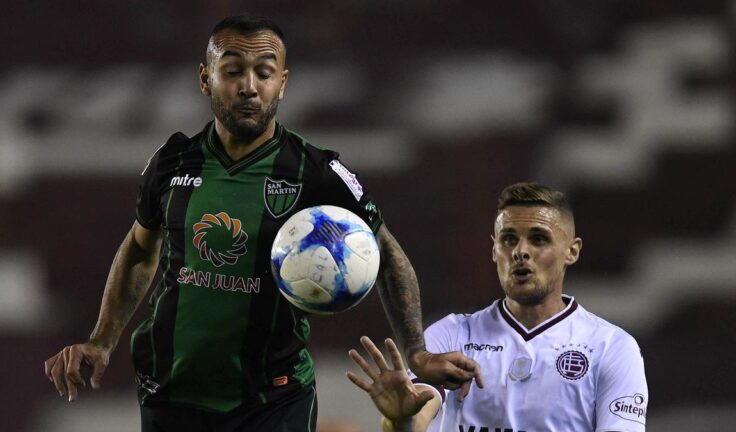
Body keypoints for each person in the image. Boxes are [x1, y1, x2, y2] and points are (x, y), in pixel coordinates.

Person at [43, 14, 481, 432]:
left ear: (282, 84)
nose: (249, 87)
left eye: (264, 72)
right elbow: (140, 249)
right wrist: (102, 340)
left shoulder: (316, 172)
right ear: (206, 79)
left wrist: (417, 352)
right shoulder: (173, 160)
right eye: (233, 71)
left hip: (273, 398)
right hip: (172, 391)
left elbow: (386, 253)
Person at [348, 182, 649, 432]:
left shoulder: (611, 348)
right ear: (494, 249)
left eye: (539, 239)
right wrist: (401, 420)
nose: (520, 252)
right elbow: (419, 410)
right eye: (509, 239)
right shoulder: (452, 335)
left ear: (572, 251)